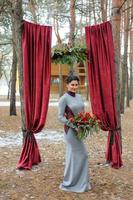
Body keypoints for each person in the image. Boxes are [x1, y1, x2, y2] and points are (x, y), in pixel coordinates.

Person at [58, 71, 91, 193]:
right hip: (71, 132)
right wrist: (73, 125)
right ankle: (73, 183)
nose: (74, 87)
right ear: (67, 85)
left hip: (80, 130)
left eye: (76, 84)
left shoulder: (79, 96)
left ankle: (79, 182)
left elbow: (81, 112)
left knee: (73, 156)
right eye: (72, 84)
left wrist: (85, 123)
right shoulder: (63, 99)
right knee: (83, 154)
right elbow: (60, 117)